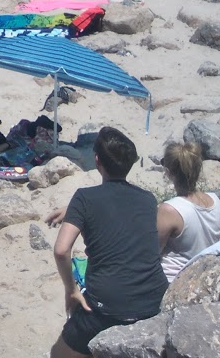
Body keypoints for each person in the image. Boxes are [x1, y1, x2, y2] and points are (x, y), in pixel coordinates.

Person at [45, 127, 167, 357]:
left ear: (97, 160)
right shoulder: (148, 199)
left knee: (58, 353)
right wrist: (73, 210)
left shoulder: (84, 198)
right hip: (152, 302)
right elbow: (118, 210)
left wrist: (71, 290)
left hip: (106, 306)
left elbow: (61, 250)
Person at [156, 141, 220, 281]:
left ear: (168, 173)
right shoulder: (216, 201)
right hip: (203, 275)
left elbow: (153, 252)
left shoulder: (169, 210)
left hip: (172, 279)